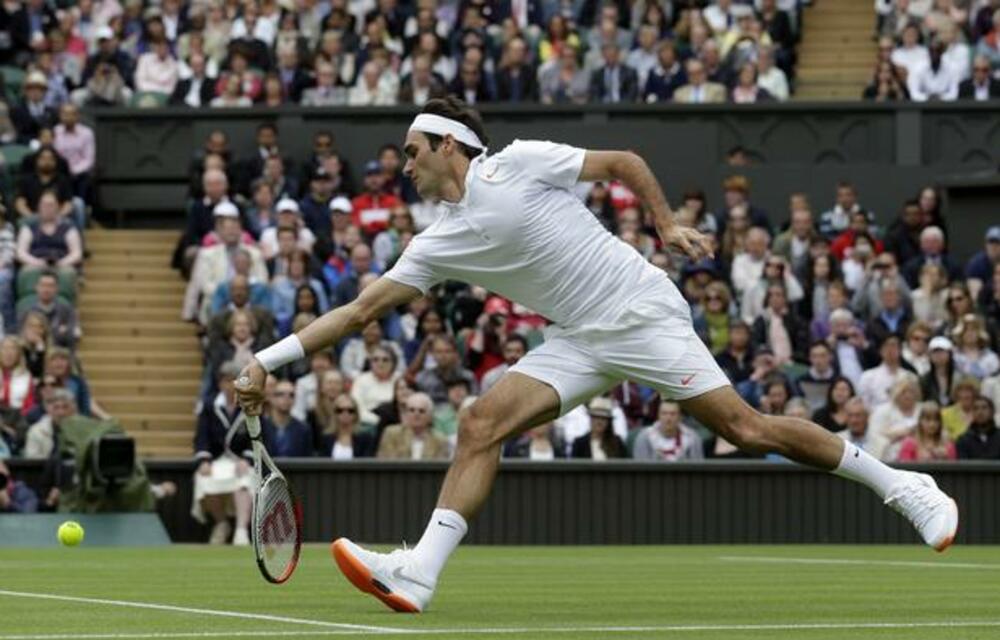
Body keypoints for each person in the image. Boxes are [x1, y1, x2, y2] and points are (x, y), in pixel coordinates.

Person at [236, 96, 959, 614]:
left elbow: (624, 160)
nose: (406, 169)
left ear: (449, 144)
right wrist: (269, 359)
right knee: (482, 421)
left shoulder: (518, 164)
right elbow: (360, 310)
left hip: (639, 311)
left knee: (746, 429)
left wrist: (666, 222)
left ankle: (904, 487)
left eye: (415, 154)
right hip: (579, 337)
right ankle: (421, 572)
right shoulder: (435, 241)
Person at [193, 362, 253, 545]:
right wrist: (204, 460)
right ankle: (221, 523)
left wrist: (247, 459)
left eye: (234, 380)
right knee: (203, 479)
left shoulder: (250, 403)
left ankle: (241, 530)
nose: (231, 385)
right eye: (227, 380)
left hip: (242, 461)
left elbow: (258, 436)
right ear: (220, 383)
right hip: (217, 460)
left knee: (244, 480)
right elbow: (201, 435)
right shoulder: (210, 405)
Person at [377, 391, 448, 459]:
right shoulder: (392, 434)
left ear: (430, 416)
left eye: (421, 411)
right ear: (405, 414)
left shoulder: (439, 440)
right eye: (411, 410)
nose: (416, 414)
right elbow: (386, 464)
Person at [632, 400, 703, 460]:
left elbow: (698, 470)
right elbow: (640, 470)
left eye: (673, 414)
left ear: (680, 417)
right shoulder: (644, 437)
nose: (668, 418)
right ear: (658, 416)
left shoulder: (692, 438)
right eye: (664, 413)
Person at [261, 379, 313, 457]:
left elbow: (307, 458)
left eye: (291, 395)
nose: (286, 398)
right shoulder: (260, 427)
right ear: (271, 398)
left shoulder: (303, 429)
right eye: (280, 394)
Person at [321, 393, 376, 459]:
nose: (345, 414)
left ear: (356, 414)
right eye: (340, 410)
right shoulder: (326, 438)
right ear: (334, 413)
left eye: (350, 411)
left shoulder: (365, 438)